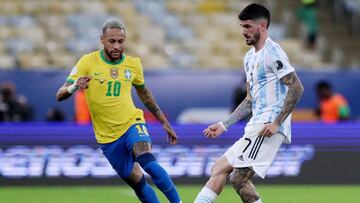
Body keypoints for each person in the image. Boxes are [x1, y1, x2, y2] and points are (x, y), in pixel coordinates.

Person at [56, 19, 181, 203]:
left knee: (148, 161)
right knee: (138, 182)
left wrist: (163, 121)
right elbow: (60, 94)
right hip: (107, 137)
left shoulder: (133, 64)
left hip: (132, 122)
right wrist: (75, 86)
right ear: (102, 40)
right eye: (111, 41)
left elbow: (145, 94)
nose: (116, 46)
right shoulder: (87, 62)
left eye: (120, 42)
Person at [194, 4, 304, 203]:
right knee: (218, 169)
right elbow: (249, 100)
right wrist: (223, 125)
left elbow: (296, 87)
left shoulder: (273, 52)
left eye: (247, 27)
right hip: (256, 123)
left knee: (238, 178)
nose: (243, 32)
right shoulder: (249, 57)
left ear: (262, 26)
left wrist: (277, 123)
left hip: (268, 126)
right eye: (242, 27)